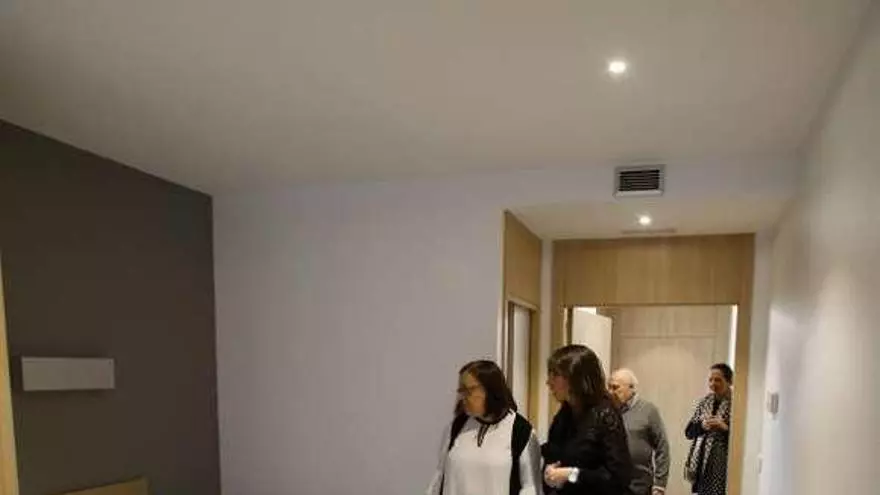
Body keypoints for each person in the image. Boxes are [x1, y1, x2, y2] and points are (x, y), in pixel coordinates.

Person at [426, 360, 543, 495]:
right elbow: (440, 476)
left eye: (469, 390)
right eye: (461, 391)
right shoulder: (456, 427)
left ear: (490, 390)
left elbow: (530, 488)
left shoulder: (521, 431)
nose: (463, 397)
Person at [542, 345, 633, 495]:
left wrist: (573, 474)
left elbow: (619, 478)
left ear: (575, 379)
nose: (549, 382)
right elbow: (555, 455)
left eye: (555, 375)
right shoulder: (564, 415)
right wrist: (549, 472)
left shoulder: (605, 414)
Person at [608, 369, 670, 495]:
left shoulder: (648, 410)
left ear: (631, 388)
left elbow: (662, 447)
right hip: (612, 486)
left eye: (615, 388)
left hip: (640, 487)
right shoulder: (607, 411)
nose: (610, 392)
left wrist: (660, 485)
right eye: (609, 387)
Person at [684, 363, 734, 495]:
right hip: (700, 466)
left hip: (722, 468)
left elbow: (741, 441)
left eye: (718, 380)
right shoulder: (705, 402)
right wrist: (702, 425)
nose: (713, 384)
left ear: (729, 382)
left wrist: (725, 428)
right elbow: (688, 432)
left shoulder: (736, 403)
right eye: (710, 380)